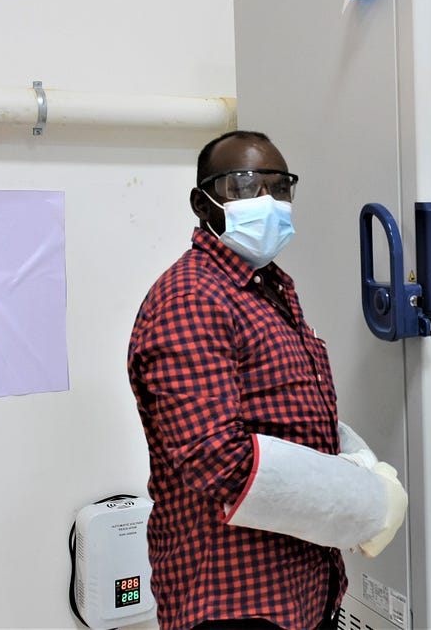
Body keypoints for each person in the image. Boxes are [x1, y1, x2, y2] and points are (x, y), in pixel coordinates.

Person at [127, 130, 407, 630]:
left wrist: (360, 464)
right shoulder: (192, 299)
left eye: (280, 188)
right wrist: (363, 501)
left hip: (302, 589)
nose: (268, 202)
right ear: (202, 202)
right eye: (244, 185)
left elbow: (291, 414)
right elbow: (216, 459)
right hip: (234, 601)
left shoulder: (267, 288)